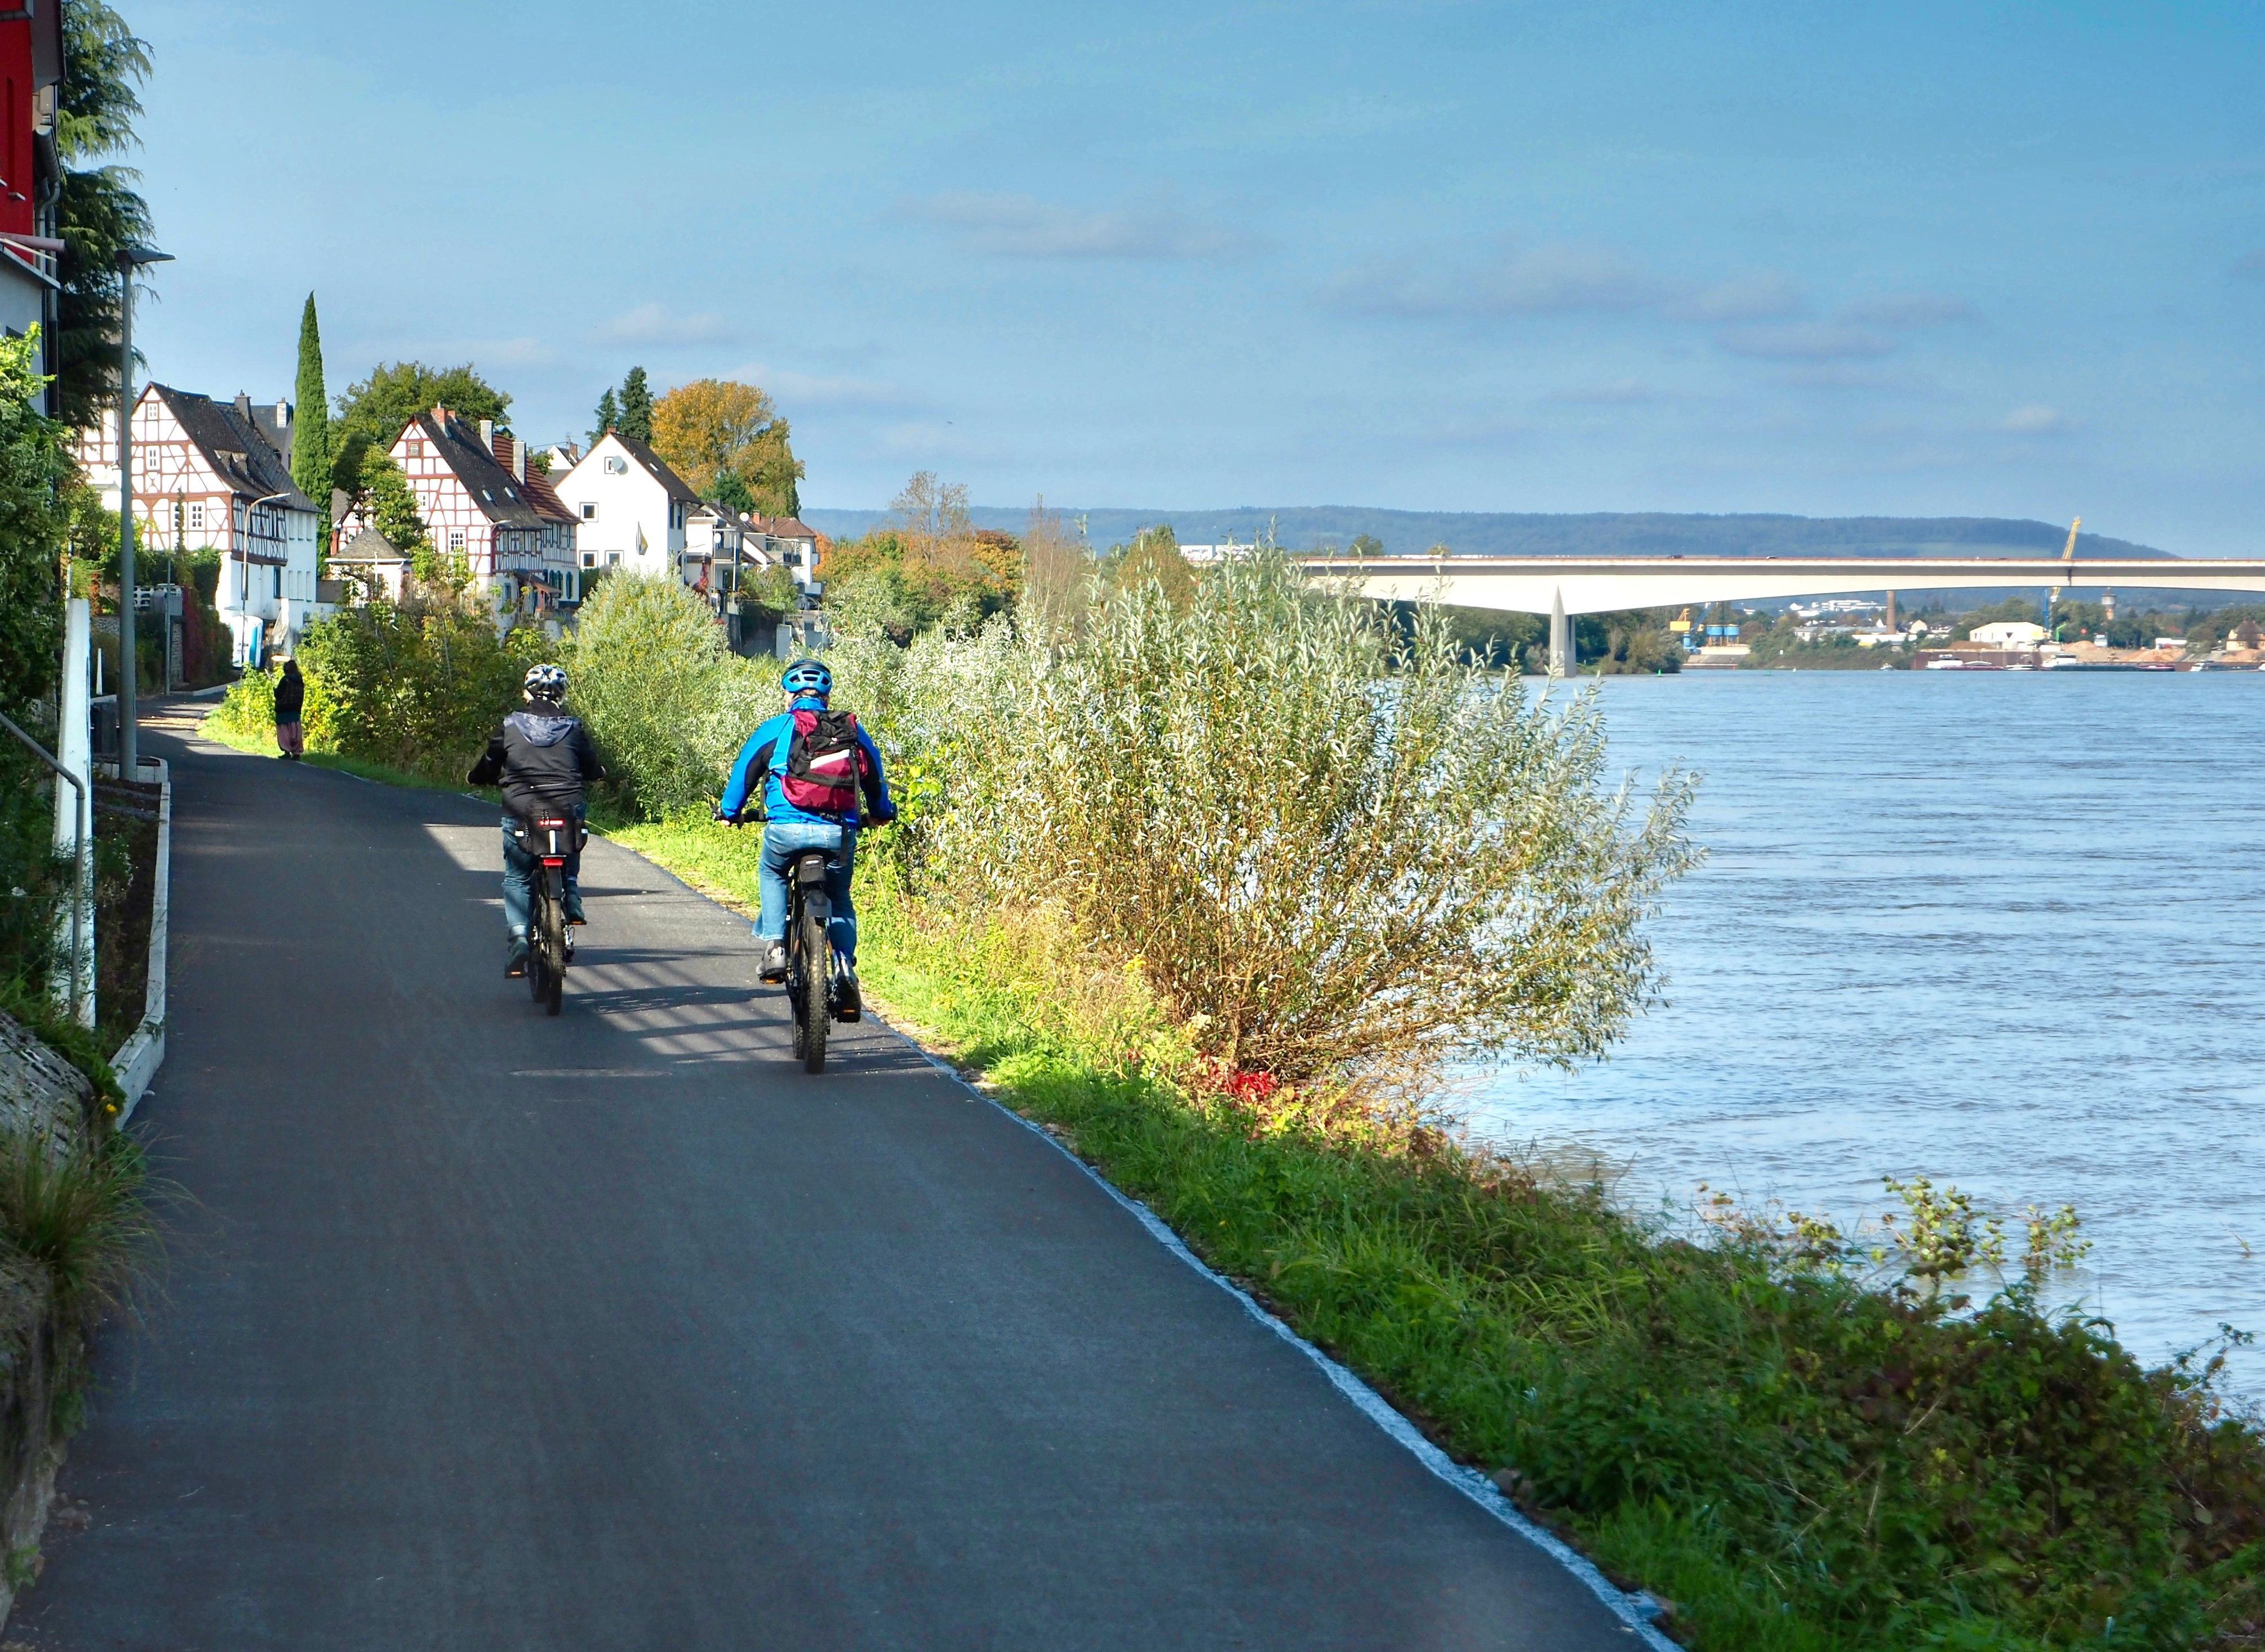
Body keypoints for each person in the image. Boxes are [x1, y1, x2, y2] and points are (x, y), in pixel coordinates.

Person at [716, 659, 895, 1014]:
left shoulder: (775, 729)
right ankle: (844, 967)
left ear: (789, 694)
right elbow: (875, 780)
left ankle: (776, 947)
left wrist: (730, 812)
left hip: (785, 831)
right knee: (839, 897)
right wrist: (880, 814)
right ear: (827, 695)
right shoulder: (852, 732)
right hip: (838, 833)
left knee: (772, 872)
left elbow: (744, 776)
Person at [468, 663, 603, 978]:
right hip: (567, 806)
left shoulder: (510, 724)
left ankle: (519, 938)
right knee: (570, 849)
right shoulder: (574, 726)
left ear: (527, 692)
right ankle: (572, 896)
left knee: (517, 876)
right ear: (562, 695)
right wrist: (598, 774)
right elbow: (592, 766)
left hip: (521, 809)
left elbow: (490, 763)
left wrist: (477, 778)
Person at [272, 659, 305, 760]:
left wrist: (275, 691)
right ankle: (297, 753)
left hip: (284, 710)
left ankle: (287, 752)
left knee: (285, 733)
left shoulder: (285, 680)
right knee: (296, 732)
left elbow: (278, 695)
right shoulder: (300, 681)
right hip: (296, 710)